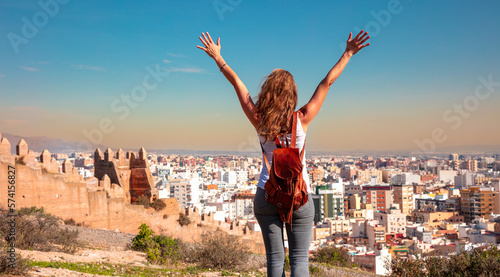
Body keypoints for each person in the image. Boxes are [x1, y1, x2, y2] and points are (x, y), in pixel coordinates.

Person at [197, 31, 370, 276]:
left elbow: (238, 84)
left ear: (268, 91)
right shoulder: (303, 118)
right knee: (300, 261)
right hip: (299, 196)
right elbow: (326, 83)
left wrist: (218, 58)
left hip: (266, 194)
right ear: (292, 94)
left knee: (275, 261)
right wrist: (348, 54)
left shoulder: (259, 120)